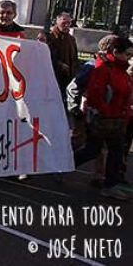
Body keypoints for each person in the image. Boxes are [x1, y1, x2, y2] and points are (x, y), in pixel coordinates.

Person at [74, 37, 133, 200]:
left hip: (117, 119)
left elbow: (125, 94)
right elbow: (95, 95)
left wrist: (124, 113)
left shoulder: (120, 69)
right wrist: (106, 112)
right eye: (127, 54)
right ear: (116, 52)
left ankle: (110, 185)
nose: (129, 58)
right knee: (92, 150)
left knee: (115, 151)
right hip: (103, 119)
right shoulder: (103, 68)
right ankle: (65, 164)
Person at [45, 12, 79, 102]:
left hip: (68, 77)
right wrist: (60, 64)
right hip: (53, 76)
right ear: (57, 21)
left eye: (69, 23)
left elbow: (74, 57)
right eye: (64, 22)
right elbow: (47, 56)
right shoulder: (50, 37)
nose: (66, 25)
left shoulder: (71, 39)